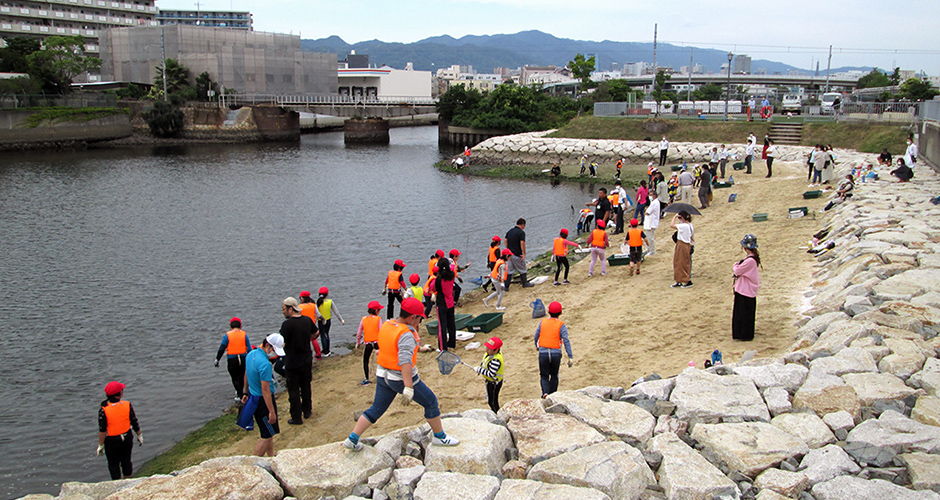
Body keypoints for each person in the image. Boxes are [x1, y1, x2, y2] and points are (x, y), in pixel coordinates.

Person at [343, 298, 460, 451]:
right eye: (419, 319)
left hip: (383, 374)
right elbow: (404, 361)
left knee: (376, 408)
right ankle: (440, 437)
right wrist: (408, 387)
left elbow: (393, 346)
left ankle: (352, 439)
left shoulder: (388, 324)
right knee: (431, 401)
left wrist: (421, 348)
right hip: (399, 378)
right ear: (413, 318)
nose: (419, 323)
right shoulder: (406, 334)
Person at [241, 334, 283, 456]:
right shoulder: (265, 364)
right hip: (263, 402)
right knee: (266, 435)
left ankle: (271, 457)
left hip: (253, 397)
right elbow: (265, 390)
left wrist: (245, 392)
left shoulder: (251, 354)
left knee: (269, 432)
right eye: (274, 350)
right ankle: (253, 463)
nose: (274, 354)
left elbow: (246, 374)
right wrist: (271, 411)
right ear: (268, 346)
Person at [280, 296, 316, 425]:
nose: (283, 312)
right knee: (306, 385)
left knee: (293, 389)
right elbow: (316, 333)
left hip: (292, 359)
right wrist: (307, 339)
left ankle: (296, 416)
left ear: (290, 309)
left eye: (284, 309)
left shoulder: (287, 325)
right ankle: (307, 410)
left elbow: (282, 343)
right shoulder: (307, 320)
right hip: (306, 357)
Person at [97, 381, 143, 480]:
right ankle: (127, 480)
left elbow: (102, 430)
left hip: (111, 441)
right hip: (126, 437)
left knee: (113, 463)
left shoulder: (103, 410)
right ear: (120, 394)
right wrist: (139, 435)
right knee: (126, 460)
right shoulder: (127, 405)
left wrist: (100, 445)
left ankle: (116, 483)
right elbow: (134, 421)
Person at [534, 301, 574, 397]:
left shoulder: (543, 322)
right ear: (561, 313)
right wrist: (570, 356)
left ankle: (545, 393)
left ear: (548, 311)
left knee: (544, 375)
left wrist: (537, 345)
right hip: (555, 353)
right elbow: (566, 341)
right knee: (554, 375)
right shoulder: (561, 325)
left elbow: (536, 335)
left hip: (543, 352)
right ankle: (553, 395)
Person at [732, 235, 761, 341]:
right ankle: (744, 334)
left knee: (742, 314)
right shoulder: (752, 258)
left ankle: (743, 335)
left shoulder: (750, 260)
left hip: (745, 290)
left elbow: (737, 270)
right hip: (747, 289)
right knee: (746, 313)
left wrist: (735, 265)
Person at [215, 317, 251, 399]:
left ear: (230, 327)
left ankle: (239, 394)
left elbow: (222, 348)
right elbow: (249, 348)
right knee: (242, 376)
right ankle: (243, 392)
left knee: (234, 377)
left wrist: (217, 359)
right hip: (243, 358)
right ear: (240, 326)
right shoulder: (244, 334)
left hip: (232, 359)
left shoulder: (227, 335)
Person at [356, 300, 384, 386]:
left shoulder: (364, 319)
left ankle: (366, 378)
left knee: (365, 360)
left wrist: (357, 342)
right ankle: (382, 376)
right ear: (376, 311)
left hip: (368, 343)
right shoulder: (378, 319)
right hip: (377, 343)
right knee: (381, 360)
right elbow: (381, 330)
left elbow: (359, 332)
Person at [474, 337, 504, 413]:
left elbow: (491, 374)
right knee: (490, 399)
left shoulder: (495, 360)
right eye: (487, 348)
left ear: (496, 350)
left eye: (489, 349)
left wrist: (479, 370)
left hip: (494, 383)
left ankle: (496, 413)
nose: (487, 350)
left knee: (493, 401)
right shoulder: (489, 354)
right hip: (490, 382)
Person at [433, 257, 457, 351]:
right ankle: (452, 343)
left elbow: (436, 289)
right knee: (451, 324)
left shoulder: (439, 279)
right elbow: (452, 267)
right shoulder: (452, 275)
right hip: (450, 301)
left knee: (442, 326)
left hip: (442, 303)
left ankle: (443, 347)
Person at [505, 218, 534, 289]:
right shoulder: (521, 233)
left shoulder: (510, 231)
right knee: (522, 269)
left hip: (509, 255)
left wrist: (508, 249)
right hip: (517, 254)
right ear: (523, 225)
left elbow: (505, 240)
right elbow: (522, 243)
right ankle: (525, 283)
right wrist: (524, 253)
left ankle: (506, 286)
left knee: (510, 271)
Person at [316, 287, 344, 357]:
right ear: (327, 295)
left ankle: (325, 351)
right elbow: (336, 312)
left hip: (321, 321)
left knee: (322, 335)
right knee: (326, 334)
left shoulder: (318, 302)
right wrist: (341, 320)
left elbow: (316, 313)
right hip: (328, 320)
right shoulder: (330, 301)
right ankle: (327, 350)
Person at [670, 211, 694, 288]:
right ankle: (679, 280)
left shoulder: (684, 226)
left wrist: (674, 217)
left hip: (682, 244)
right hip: (685, 244)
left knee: (681, 263)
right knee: (679, 262)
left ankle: (686, 280)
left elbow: (671, 225)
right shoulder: (690, 225)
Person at [298, 291, 323, 359]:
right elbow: (318, 315)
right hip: (312, 325)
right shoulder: (313, 305)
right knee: (314, 340)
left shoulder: (299, 307)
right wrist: (323, 320)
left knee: (304, 341)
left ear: (302, 298)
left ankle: (306, 355)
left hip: (302, 325)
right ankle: (318, 354)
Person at [644, 191, 661, 256]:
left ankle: (652, 250)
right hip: (652, 222)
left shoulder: (654, 203)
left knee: (650, 238)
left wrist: (646, 210)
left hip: (651, 223)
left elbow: (648, 212)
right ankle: (649, 249)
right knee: (650, 237)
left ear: (654, 196)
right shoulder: (655, 202)